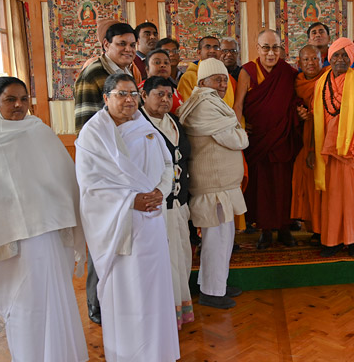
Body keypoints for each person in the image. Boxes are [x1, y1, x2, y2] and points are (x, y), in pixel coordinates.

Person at [0, 77, 88, 361]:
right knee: (24, 306)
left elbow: (65, 180)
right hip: (10, 241)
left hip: (51, 234)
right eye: (10, 99)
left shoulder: (39, 131)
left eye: (24, 98)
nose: (19, 105)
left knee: (56, 298)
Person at [76, 73, 180, 361]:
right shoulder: (92, 134)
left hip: (151, 222)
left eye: (134, 93)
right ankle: (129, 354)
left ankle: (157, 351)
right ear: (106, 98)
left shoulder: (143, 126)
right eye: (121, 94)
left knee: (153, 290)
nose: (129, 99)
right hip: (118, 225)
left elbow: (166, 164)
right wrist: (130, 200)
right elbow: (90, 186)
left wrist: (161, 190)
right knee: (127, 291)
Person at [74, 21, 137, 325]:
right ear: (106, 45)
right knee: (103, 234)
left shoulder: (131, 73)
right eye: (121, 44)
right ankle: (96, 303)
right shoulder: (94, 73)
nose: (128, 50)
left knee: (123, 235)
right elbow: (88, 127)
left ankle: (120, 298)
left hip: (129, 162)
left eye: (132, 44)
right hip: (104, 166)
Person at [179, 58, 249, 309]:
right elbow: (238, 139)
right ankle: (212, 291)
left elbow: (234, 131)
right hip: (213, 187)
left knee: (222, 237)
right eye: (216, 79)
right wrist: (240, 132)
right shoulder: (205, 105)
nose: (222, 84)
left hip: (220, 185)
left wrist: (237, 130)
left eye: (223, 78)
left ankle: (216, 283)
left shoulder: (210, 102)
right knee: (216, 239)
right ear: (202, 82)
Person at [233, 29, 300, 249]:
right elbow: (239, 104)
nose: (271, 53)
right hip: (258, 139)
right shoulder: (248, 71)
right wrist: (238, 129)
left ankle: (283, 227)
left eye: (275, 48)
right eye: (266, 48)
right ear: (257, 48)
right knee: (261, 187)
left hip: (282, 138)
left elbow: (294, 101)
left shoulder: (288, 72)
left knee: (283, 186)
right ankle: (265, 230)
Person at [309, 38, 354, 257]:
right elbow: (315, 117)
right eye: (336, 55)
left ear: (351, 58)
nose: (340, 59)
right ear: (329, 57)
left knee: (351, 195)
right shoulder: (322, 81)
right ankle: (332, 241)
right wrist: (311, 148)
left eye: (344, 55)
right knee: (333, 197)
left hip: (352, 148)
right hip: (326, 149)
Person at [139, 75, 194, 330]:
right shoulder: (138, 125)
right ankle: (160, 316)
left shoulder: (174, 122)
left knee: (181, 256)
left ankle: (179, 311)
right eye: (158, 94)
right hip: (154, 209)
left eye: (168, 95)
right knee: (161, 261)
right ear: (144, 96)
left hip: (179, 205)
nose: (164, 100)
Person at [291, 45, 328, 244]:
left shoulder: (329, 77)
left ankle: (326, 227)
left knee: (324, 184)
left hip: (325, 136)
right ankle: (314, 227)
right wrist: (298, 113)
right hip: (304, 138)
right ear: (299, 63)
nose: (311, 63)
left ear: (322, 61)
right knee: (306, 182)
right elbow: (289, 104)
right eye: (306, 60)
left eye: (315, 59)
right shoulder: (296, 82)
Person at [177, 36, 223, 101]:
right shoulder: (188, 77)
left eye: (216, 47)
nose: (212, 51)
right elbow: (187, 106)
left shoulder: (225, 76)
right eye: (208, 47)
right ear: (199, 52)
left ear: (220, 52)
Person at [145, 49, 185, 114]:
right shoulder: (142, 90)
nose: (162, 65)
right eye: (157, 62)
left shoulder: (174, 91)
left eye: (166, 63)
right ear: (147, 69)